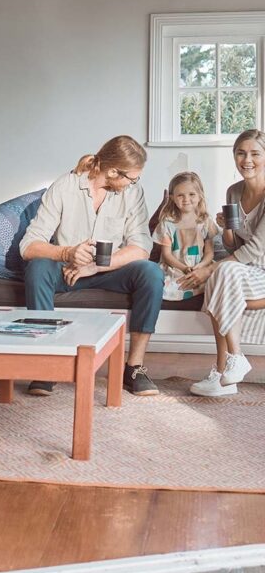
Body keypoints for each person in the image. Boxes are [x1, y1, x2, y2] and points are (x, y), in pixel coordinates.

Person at [19, 134, 164, 397]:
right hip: (68, 269)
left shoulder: (132, 193)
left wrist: (97, 265)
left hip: (109, 270)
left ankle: (134, 368)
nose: (133, 183)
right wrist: (67, 252)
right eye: (131, 177)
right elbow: (29, 245)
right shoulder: (65, 186)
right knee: (38, 268)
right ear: (112, 171)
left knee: (152, 273)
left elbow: (141, 247)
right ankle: (47, 364)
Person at [180, 129, 265, 397]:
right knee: (222, 275)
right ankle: (228, 368)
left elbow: (257, 248)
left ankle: (224, 369)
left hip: (260, 269)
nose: (247, 160)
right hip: (245, 270)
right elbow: (233, 246)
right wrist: (227, 228)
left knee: (220, 273)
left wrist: (209, 269)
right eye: (241, 153)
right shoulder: (234, 192)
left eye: (255, 154)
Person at [152, 172, 219, 301]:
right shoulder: (167, 223)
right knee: (170, 287)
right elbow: (167, 255)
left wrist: (200, 266)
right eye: (180, 195)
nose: (186, 199)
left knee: (218, 281)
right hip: (176, 267)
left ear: (200, 196)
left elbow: (209, 252)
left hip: (200, 267)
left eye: (192, 194)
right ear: (172, 198)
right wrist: (184, 268)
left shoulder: (205, 221)